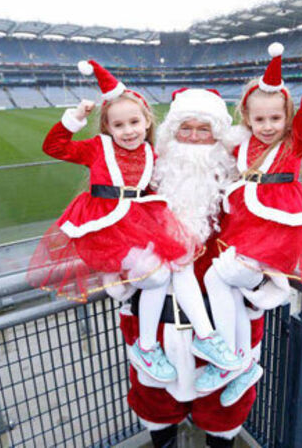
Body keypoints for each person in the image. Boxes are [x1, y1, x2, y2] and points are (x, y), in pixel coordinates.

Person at [28, 60, 240, 386]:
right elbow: (54, 147)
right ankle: (149, 344)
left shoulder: (152, 154)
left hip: (136, 223)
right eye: (119, 125)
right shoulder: (99, 148)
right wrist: (74, 119)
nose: (128, 131)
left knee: (174, 265)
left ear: (147, 122)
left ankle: (192, 339)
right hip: (105, 225)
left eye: (134, 122)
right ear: (107, 127)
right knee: (158, 276)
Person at [107, 87, 293, 448]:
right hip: (159, 329)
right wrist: (128, 270)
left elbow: (274, 240)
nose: (193, 138)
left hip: (225, 332)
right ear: (170, 133)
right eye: (185, 128)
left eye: (203, 129)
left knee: (223, 414)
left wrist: (254, 275)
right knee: (156, 407)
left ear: (219, 136)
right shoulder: (145, 182)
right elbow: (113, 237)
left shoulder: (242, 189)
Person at [201, 23, 302, 405]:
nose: (268, 127)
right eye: (260, 119)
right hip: (249, 230)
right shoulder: (243, 145)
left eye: (275, 119)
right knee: (218, 280)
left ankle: (268, 291)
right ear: (248, 118)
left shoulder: (294, 141)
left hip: (278, 231)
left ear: (287, 118)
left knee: (226, 276)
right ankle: (237, 360)